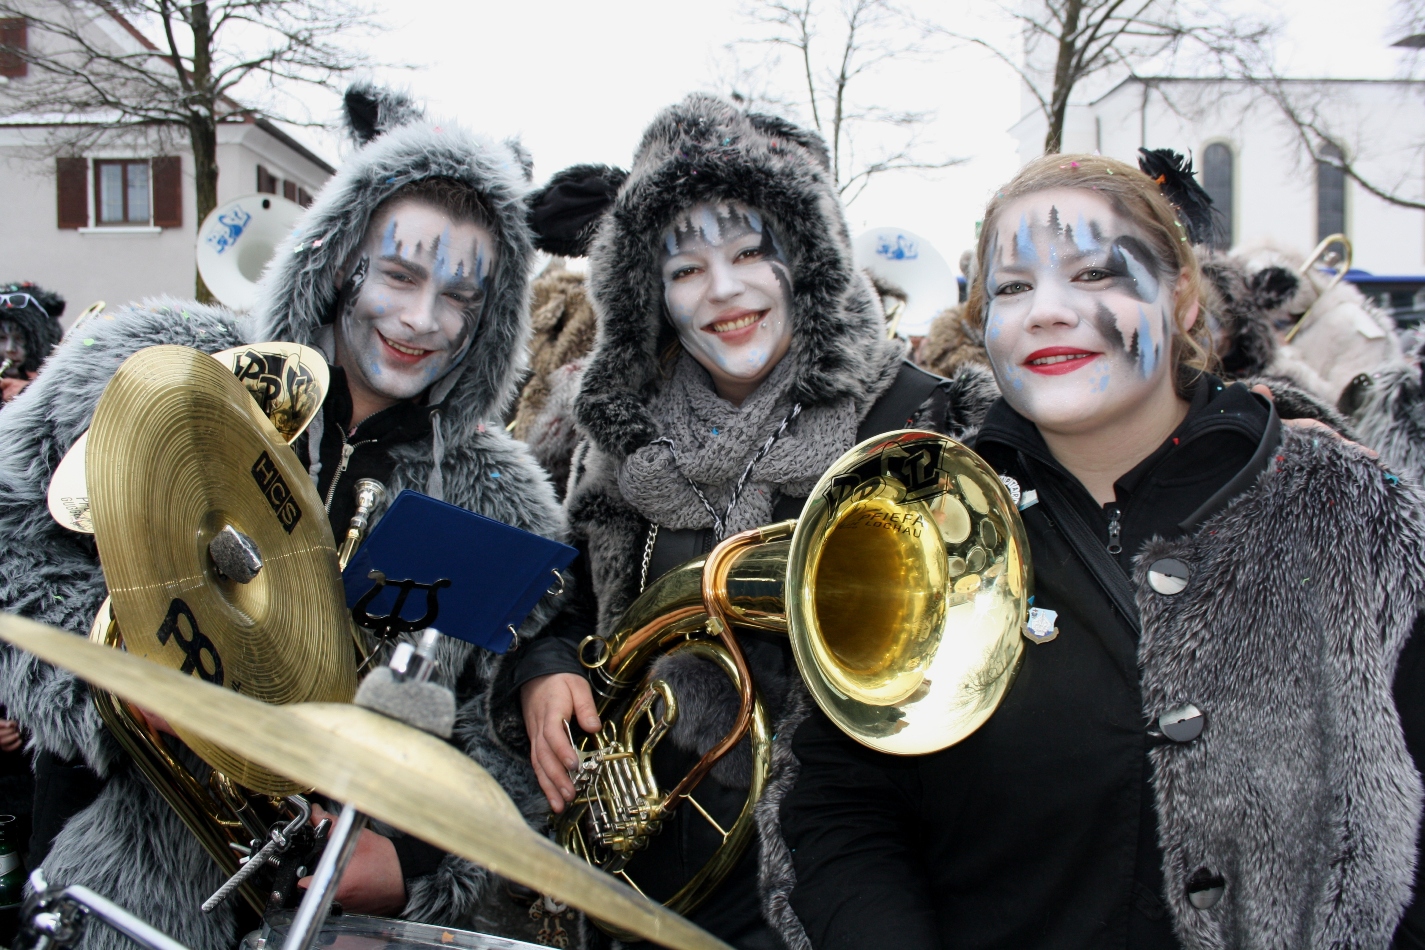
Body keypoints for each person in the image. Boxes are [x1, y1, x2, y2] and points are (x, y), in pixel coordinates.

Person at [763, 153, 1425, 950]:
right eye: (1011, 288)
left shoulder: (1348, 508)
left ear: (1181, 297)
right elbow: (835, 808)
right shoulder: (910, 515)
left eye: (1092, 274)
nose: (1045, 311)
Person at [0, 84, 567, 950]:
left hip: (337, 923)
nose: (421, 319)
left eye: (460, 295)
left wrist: (415, 863)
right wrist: (111, 674)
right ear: (339, 261)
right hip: (111, 891)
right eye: (399, 274)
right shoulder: (160, 364)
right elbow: (10, 535)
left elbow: (497, 731)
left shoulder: (503, 500)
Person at [494, 94, 999, 949]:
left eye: (750, 252)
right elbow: (566, 602)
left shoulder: (930, 422)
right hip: (650, 881)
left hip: (850, 890)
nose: (722, 290)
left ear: (806, 256)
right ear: (649, 291)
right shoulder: (621, 439)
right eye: (685, 268)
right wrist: (544, 672)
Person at [0, 283, 64, 404]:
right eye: (2, 338)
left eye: (19, 339)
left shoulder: (63, 384)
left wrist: (28, 392)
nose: (10, 349)